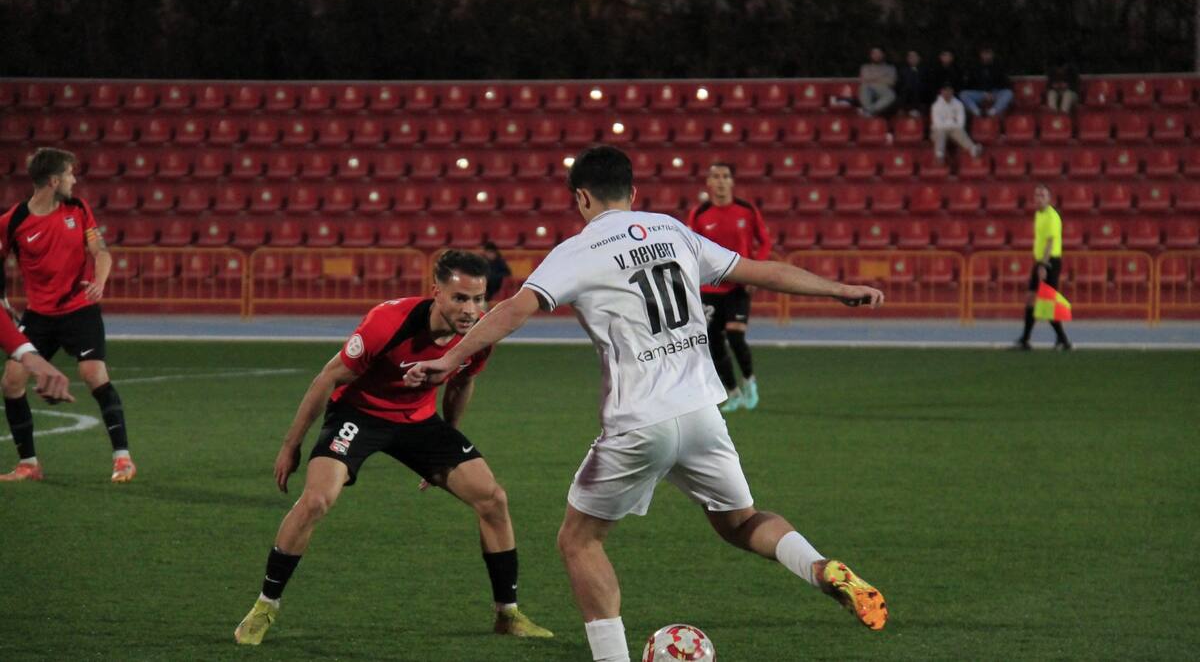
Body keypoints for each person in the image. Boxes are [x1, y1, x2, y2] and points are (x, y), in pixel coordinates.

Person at [407, 146, 889, 662]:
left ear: (582, 197)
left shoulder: (577, 250)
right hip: (703, 411)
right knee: (741, 522)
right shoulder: (672, 229)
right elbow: (755, 270)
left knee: (579, 541)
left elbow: (514, 309)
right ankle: (820, 567)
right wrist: (837, 289)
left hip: (639, 420)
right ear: (633, 194)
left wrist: (449, 358)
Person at [233, 250, 552, 646]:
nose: (471, 309)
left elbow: (462, 381)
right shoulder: (388, 321)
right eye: (460, 298)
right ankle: (265, 606)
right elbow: (327, 378)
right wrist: (290, 445)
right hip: (358, 416)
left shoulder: (479, 334)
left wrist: (446, 443)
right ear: (436, 292)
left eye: (478, 299)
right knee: (316, 500)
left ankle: (508, 614)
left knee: (493, 499)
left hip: (418, 422)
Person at [0, 147, 133, 484]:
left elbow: (100, 251)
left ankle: (123, 459)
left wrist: (99, 281)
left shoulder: (77, 208)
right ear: (54, 180)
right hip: (39, 315)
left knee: (93, 374)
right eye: (70, 175)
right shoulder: (13, 222)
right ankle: (29, 464)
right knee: (12, 380)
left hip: (80, 310)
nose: (75, 180)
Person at [686, 163, 771, 413]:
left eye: (725, 176)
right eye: (715, 176)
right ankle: (732, 392)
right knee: (713, 343)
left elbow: (764, 241)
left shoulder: (746, 210)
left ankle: (749, 381)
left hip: (738, 286)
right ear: (708, 183)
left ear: (732, 182)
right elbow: (691, 249)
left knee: (735, 335)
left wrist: (756, 272)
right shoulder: (699, 214)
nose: (721, 181)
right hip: (710, 289)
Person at [1015, 184, 1072, 351]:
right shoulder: (1038, 215)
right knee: (1031, 298)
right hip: (1041, 261)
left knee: (1048, 302)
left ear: (1049, 198)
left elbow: (1050, 242)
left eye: (1042, 195)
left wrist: (1043, 265)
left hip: (1049, 262)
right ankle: (1025, 339)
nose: (1039, 198)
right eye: (1037, 195)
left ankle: (1063, 340)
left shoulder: (1051, 217)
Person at [931, 83, 982, 162]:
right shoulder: (936, 106)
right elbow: (938, 124)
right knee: (940, 132)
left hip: (954, 131)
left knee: (959, 131)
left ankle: (973, 149)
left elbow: (961, 124)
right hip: (938, 131)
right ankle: (939, 155)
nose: (947, 93)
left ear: (952, 92)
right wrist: (952, 121)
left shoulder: (958, 104)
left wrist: (946, 122)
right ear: (941, 92)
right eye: (945, 91)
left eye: (949, 90)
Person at [960, 46, 1014, 117]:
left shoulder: (998, 66)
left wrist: (992, 93)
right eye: (984, 53)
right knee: (963, 94)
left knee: (1008, 93)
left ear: (992, 54)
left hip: (995, 93)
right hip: (980, 94)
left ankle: (992, 112)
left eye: (988, 53)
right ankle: (978, 112)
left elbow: (1006, 83)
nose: (986, 56)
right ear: (981, 55)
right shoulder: (974, 67)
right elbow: (969, 85)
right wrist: (984, 93)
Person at [857, 46, 896, 116]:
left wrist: (871, 79)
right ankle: (869, 112)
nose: (876, 55)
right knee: (864, 87)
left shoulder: (890, 68)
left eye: (878, 53)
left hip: (883, 90)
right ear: (871, 55)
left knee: (891, 95)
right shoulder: (865, 67)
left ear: (883, 55)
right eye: (874, 53)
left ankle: (868, 111)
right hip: (868, 89)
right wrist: (882, 78)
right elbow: (864, 79)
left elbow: (891, 82)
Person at [895, 50, 928, 117]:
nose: (912, 58)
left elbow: (927, 85)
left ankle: (916, 109)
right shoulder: (902, 70)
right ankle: (902, 109)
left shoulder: (926, 70)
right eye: (910, 56)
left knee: (916, 85)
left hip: (921, 95)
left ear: (919, 58)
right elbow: (898, 86)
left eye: (914, 56)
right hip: (905, 96)